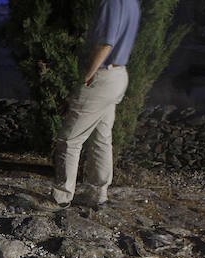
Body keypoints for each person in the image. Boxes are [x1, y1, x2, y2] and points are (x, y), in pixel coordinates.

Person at [52, 0, 141, 207]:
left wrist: (86, 76)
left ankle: (61, 197)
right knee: (102, 136)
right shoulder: (131, 3)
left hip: (102, 77)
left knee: (70, 139)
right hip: (119, 74)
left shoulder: (112, 2)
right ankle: (98, 194)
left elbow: (105, 44)